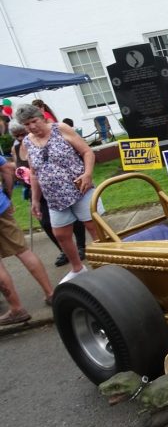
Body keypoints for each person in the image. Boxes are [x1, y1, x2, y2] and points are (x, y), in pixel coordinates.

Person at [16, 104, 99, 283]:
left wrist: (87, 174)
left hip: (79, 189)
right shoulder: (27, 141)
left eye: (34, 121)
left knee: (94, 227)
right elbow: (34, 173)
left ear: (42, 118)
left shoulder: (60, 129)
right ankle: (77, 268)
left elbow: (87, 152)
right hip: (54, 198)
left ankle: (108, 261)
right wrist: (35, 200)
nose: (31, 126)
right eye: (26, 124)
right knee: (61, 234)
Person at [10, 121, 87, 267]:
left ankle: (81, 246)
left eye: (22, 134)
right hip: (37, 189)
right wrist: (21, 174)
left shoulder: (41, 140)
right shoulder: (16, 148)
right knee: (46, 223)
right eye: (16, 135)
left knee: (74, 218)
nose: (20, 138)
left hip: (57, 187)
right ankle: (65, 251)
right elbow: (20, 167)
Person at [0, 153, 55, 325]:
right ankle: (50, 293)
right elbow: (7, 168)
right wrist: (7, 194)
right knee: (23, 251)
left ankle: (16, 309)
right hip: (1, 206)